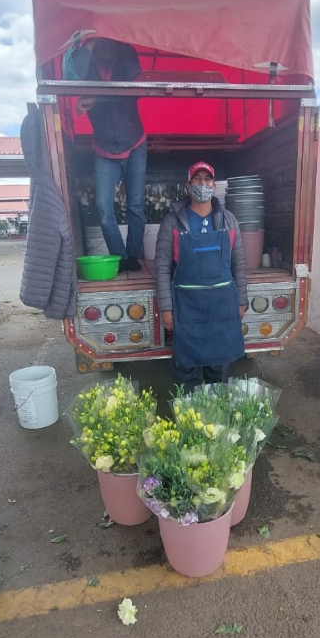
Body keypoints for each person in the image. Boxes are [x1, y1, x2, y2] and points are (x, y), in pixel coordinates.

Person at [155, 162, 247, 389]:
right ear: (187, 186)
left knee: (218, 371)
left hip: (222, 308)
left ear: (214, 185)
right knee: (187, 373)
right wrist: (166, 310)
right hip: (188, 308)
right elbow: (162, 267)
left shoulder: (229, 220)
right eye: (197, 179)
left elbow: (238, 264)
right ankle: (188, 410)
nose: (202, 183)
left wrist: (241, 301)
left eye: (207, 179)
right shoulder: (172, 222)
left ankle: (216, 411)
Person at [65, 36, 146, 272]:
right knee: (103, 208)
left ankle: (133, 256)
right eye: (99, 43)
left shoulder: (126, 59)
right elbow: (70, 73)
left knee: (136, 206)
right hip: (103, 148)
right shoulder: (86, 69)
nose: (105, 46)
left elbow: (127, 88)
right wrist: (88, 44)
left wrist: (95, 98)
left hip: (135, 142)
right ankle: (120, 257)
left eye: (109, 42)